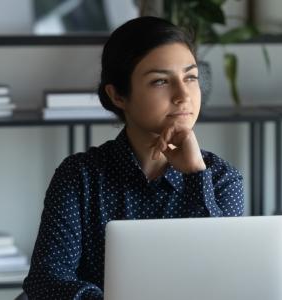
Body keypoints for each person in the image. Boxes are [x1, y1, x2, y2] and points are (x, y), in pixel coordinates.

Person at [22, 16, 245, 299]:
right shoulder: (79, 176)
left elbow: (228, 277)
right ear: (118, 96)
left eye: (190, 77)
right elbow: (46, 280)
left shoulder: (221, 177)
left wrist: (195, 175)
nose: (183, 95)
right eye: (161, 81)